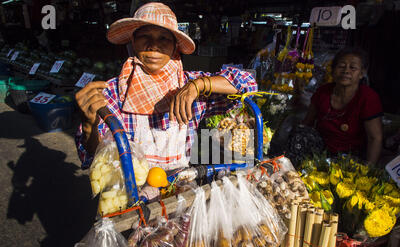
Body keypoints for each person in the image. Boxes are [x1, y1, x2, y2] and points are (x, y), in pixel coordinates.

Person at [75, 2, 257, 171]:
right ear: (133, 41)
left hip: (179, 190)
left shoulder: (188, 85)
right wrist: (90, 126)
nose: (154, 46)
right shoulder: (114, 91)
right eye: (145, 36)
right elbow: (95, 158)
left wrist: (199, 85)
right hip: (130, 195)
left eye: (164, 39)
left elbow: (248, 83)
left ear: (174, 47)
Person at [302, 47, 383, 165]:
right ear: (333, 70)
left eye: (353, 67)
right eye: (341, 66)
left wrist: (368, 170)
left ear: (361, 74)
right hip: (320, 153)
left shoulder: (368, 97)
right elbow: (306, 124)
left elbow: (375, 138)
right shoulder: (323, 92)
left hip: (352, 157)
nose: (346, 71)